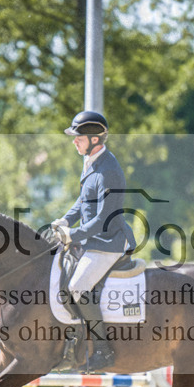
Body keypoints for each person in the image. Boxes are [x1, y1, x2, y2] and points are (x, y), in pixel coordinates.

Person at [51, 110, 137, 372]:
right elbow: (83, 201)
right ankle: (71, 345)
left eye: (78, 138)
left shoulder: (109, 171)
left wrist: (73, 235)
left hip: (109, 242)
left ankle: (102, 349)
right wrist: (65, 220)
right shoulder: (92, 161)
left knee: (77, 287)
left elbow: (103, 219)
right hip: (94, 239)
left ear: (95, 139)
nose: (74, 141)